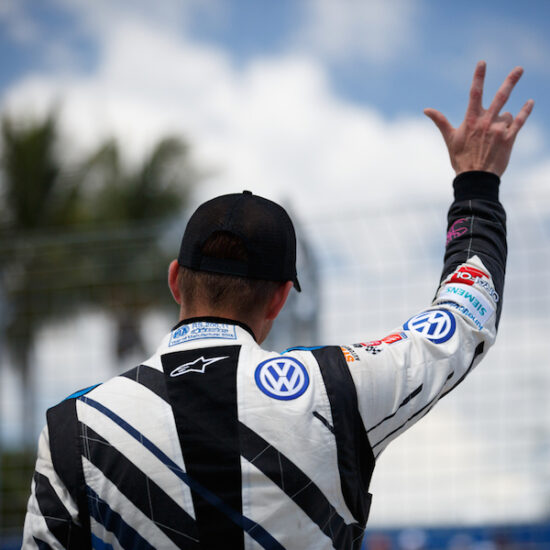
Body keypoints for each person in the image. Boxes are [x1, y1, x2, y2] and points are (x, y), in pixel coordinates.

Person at [22, 61, 533, 550]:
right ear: (280, 297)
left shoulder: (72, 427)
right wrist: (477, 184)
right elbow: (464, 317)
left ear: (175, 280)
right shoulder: (339, 388)